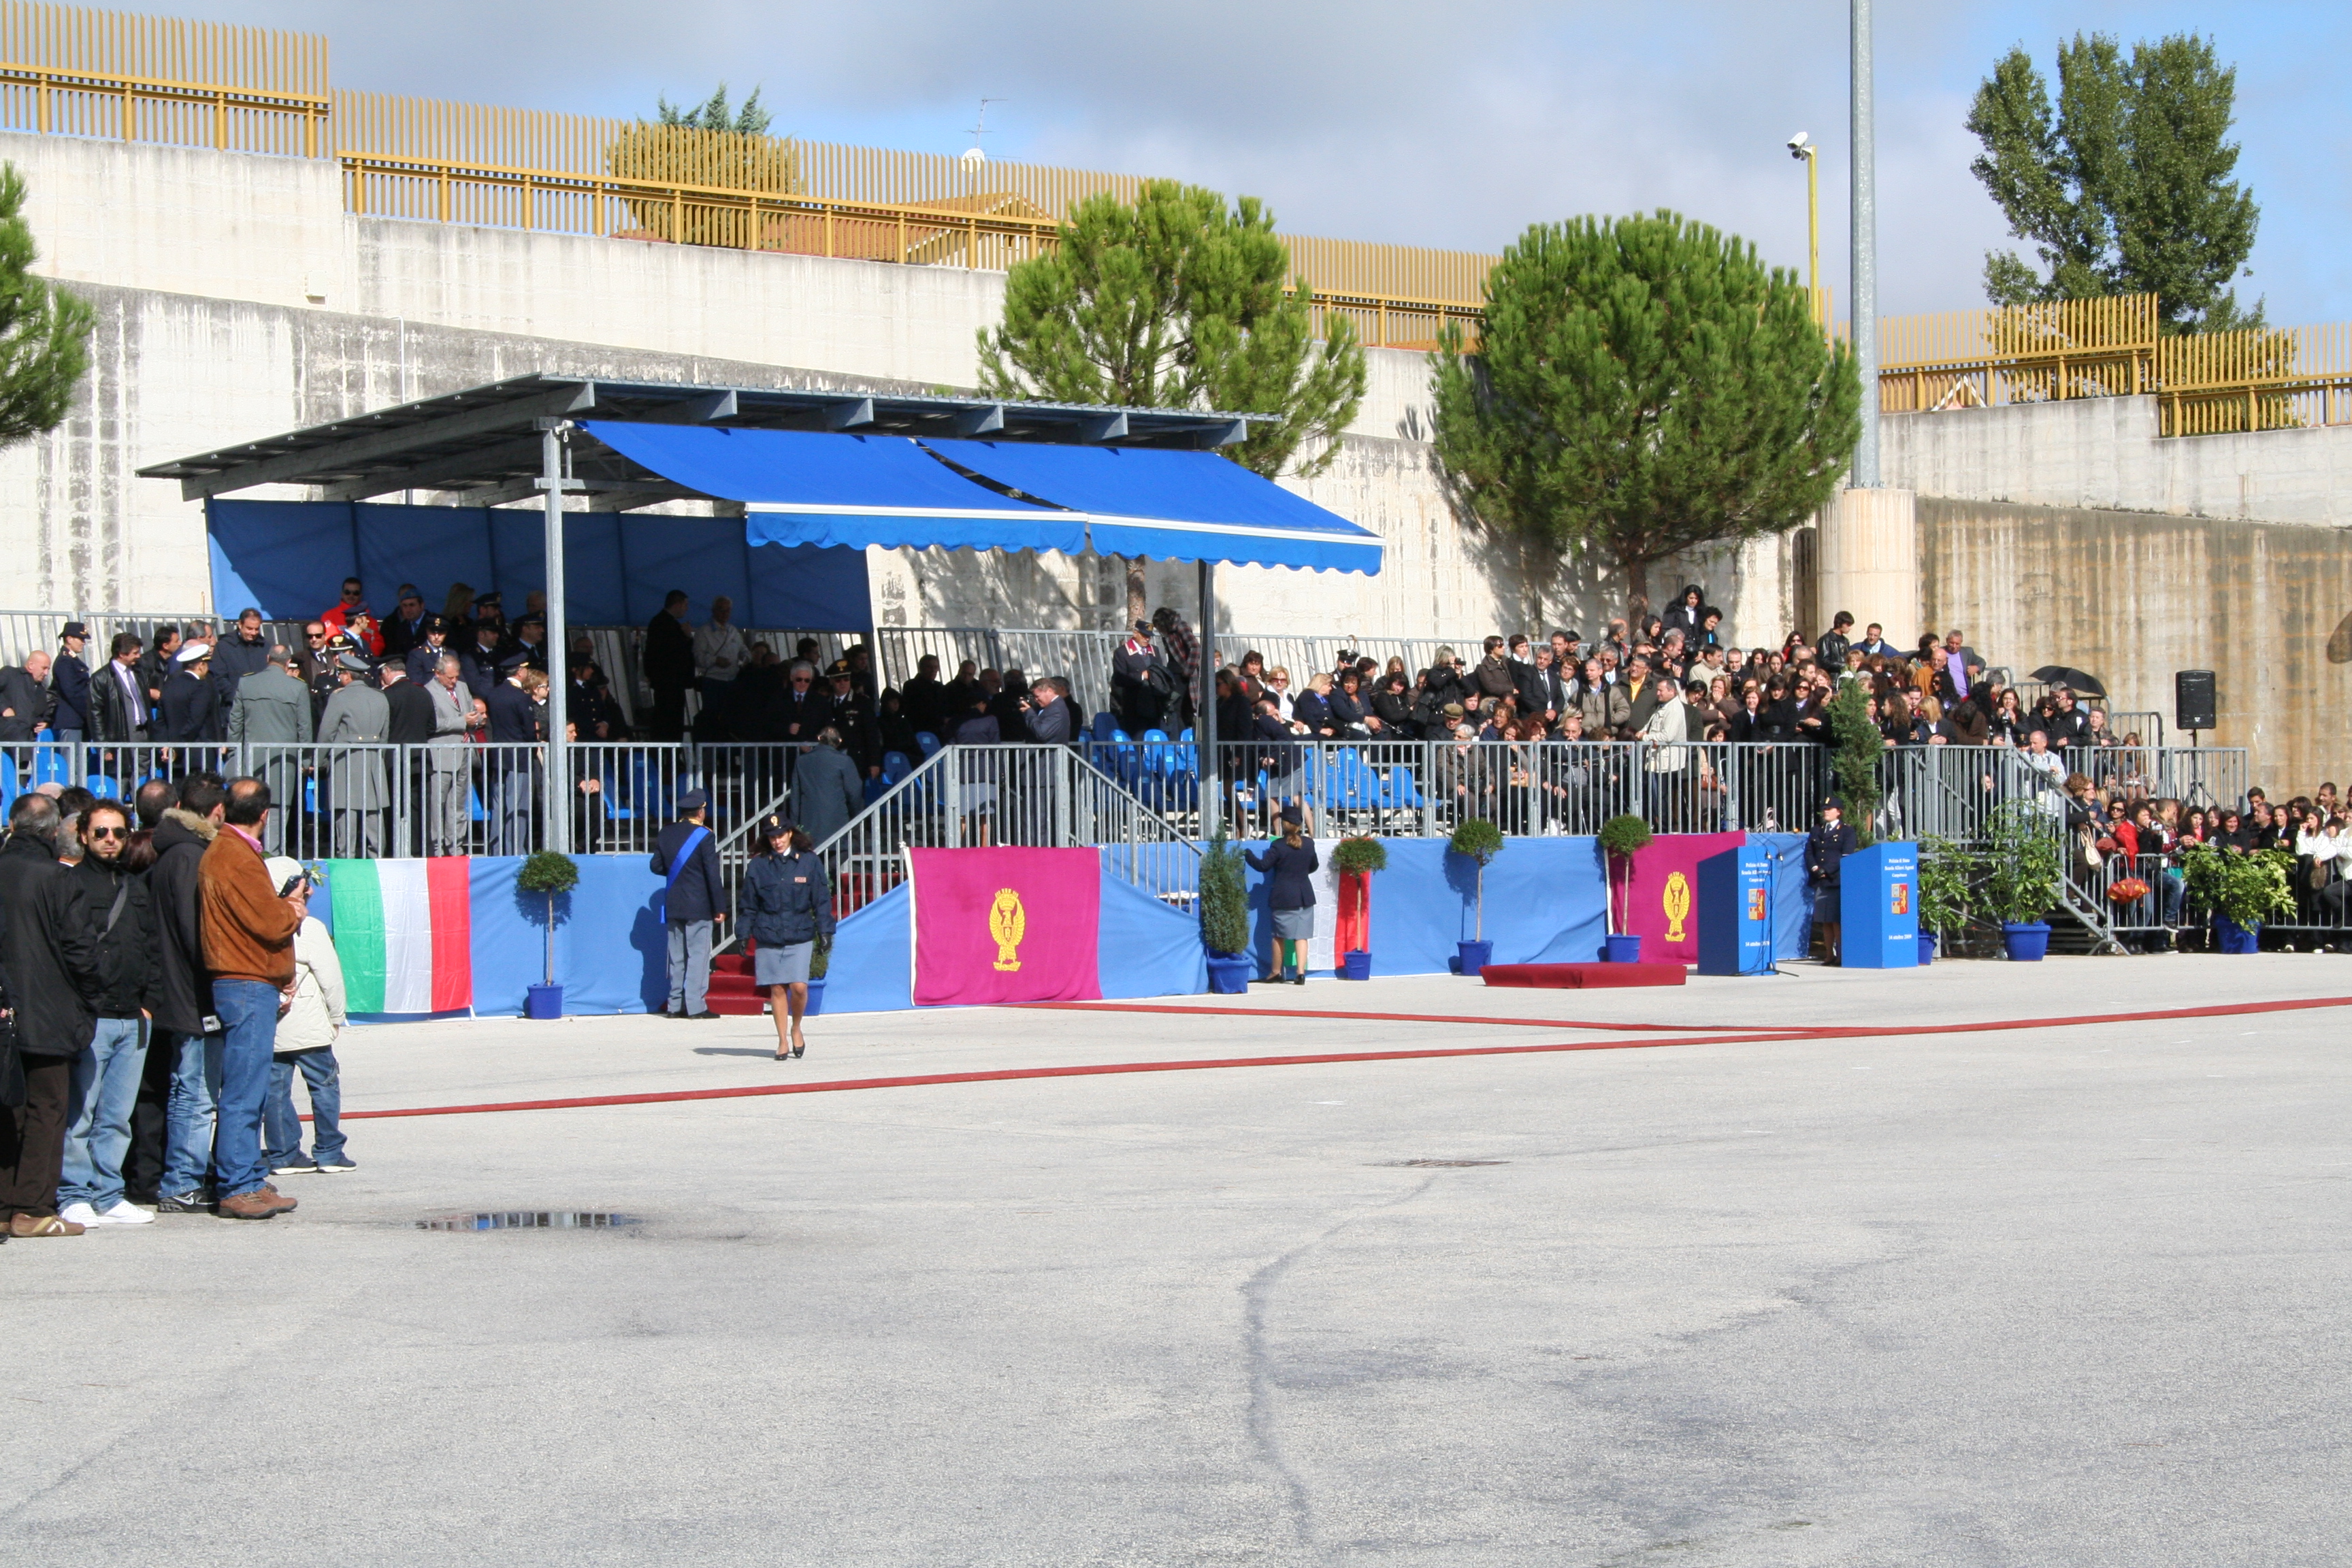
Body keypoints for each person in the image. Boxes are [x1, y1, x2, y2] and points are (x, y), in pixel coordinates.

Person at [199, 777, 303, 1220]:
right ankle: (238, 1183)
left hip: (246, 979)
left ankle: (249, 1177)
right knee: (243, 1088)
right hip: (244, 982)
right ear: (265, 815)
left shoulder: (232, 852)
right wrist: (292, 909)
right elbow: (268, 921)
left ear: (223, 809)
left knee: (251, 1086)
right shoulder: (234, 856)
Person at [53, 800, 157, 1228]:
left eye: (117, 832)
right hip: (91, 1016)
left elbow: (151, 948)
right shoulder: (69, 884)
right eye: (100, 832)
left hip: (133, 1017)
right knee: (80, 1113)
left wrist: (149, 1006)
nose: (110, 839)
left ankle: (108, 1193)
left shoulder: (136, 886)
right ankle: (73, 1194)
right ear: (83, 835)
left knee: (117, 1116)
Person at [0, 795, 88, 1236]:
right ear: (54, 832)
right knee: (46, 1107)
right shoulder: (58, 878)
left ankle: (5, 1205)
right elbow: (81, 952)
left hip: (9, 1007)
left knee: (7, 1107)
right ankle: (32, 1208)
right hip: (47, 1009)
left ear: (14, 827)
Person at [143, 775, 225, 1214]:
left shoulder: (174, 851)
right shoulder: (190, 857)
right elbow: (199, 936)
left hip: (179, 992)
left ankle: (185, 1175)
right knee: (195, 1092)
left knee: (187, 1088)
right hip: (193, 994)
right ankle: (182, 1180)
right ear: (217, 813)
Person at [261, 856, 355, 1177]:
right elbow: (330, 977)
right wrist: (336, 1016)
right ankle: (329, 1151)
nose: (310, 892)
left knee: (275, 1092)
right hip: (311, 1026)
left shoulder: (258, 924)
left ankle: (283, 1154)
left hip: (272, 1027)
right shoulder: (309, 928)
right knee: (324, 1086)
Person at [742, 814, 834, 1061]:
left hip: (800, 930)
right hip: (769, 932)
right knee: (777, 987)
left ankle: (796, 1027)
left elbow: (821, 899)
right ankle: (782, 1039)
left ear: (790, 833)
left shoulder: (808, 862)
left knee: (799, 987)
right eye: (772, 837)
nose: (777, 841)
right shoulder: (758, 865)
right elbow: (749, 904)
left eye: (780, 836)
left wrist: (826, 931)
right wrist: (743, 932)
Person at [227, 645, 312, 853]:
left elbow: (235, 723)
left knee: (247, 809)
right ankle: (272, 857)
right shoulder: (298, 687)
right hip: (285, 760)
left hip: (251, 758)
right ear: (288, 663)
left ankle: (246, 854)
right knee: (278, 810)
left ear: (267, 658)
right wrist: (306, 761)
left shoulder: (246, 683)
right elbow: (305, 728)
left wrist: (234, 754)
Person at [651, 789, 727, 1019]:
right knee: (698, 956)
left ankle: (675, 1005)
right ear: (701, 811)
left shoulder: (666, 832)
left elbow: (655, 866)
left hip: (674, 903)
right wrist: (720, 906)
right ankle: (695, 1006)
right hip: (699, 905)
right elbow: (712, 874)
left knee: (676, 957)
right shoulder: (704, 835)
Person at [317, 650, 391, 857]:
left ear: (347, 675)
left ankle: (346, 856)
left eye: (341, 674)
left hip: (345, 759)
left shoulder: (340, 698)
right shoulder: (380, 697)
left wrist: (319, 760)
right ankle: (377, 855)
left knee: (346, 810)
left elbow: (326, 732)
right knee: (373, 811)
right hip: (374, 758)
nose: (340, 677)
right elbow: (385, 734)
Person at [1245, 805, 1318, 985]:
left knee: (1279, 936)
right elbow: (1314, 866)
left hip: (1284, 896)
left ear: (1284, 825)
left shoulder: (1278, 845)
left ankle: (1276, 972)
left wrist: (1248, 855)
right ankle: (1300, 973)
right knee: (1301, 936)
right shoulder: (1309, 843)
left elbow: (1263, 866)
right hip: (1305, 895)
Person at [426, 654, 483, 856]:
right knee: (438, 804)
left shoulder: (462, 688)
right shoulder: (428, 691)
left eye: (456, 676)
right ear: (438, 673)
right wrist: (461, 721)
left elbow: (472, 713)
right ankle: (436, 847)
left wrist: (475, 720)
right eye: (450, 678)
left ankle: (456, 846)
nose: (454, 681)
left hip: (465, 751)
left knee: (458, 803)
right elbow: (433, 724)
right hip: (442, 753)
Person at [790, 726, 865, 849]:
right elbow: (855, 792)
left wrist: (794, 825)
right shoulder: (844, 761)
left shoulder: (802, 761)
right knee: (839, 854)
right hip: (837, 821)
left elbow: (795, 795)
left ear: (819, 738)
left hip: (808, 821)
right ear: (839, 741)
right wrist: (856, 814)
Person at [1806, 794, 1858, 965]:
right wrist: (1815, 868)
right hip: (1821, 880)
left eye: (1829, 809)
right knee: (1825, 920)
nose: (1825, 812)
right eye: (1824, 809)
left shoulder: (1847, 831)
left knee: (1836, 920)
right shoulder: (1817, 830)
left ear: (1839, 812)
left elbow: (1845, 856)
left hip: (1836, 880)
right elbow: (1810, 852)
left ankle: (1842, 955)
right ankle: (1829, 955)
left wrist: (1826, 870)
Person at [642, 589, 695, 741]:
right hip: (670, 683)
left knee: (668, 722)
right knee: (670, 723)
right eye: (685, 605)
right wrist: (687, 637)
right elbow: (675, 654)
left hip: (666, 683)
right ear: (677, 604)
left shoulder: (660, 623)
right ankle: (671, 756)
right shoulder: (666, 624)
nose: (687, 608)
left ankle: (668, 756)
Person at [88, 630, 151, 743]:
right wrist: (104, 747)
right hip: (121, 736)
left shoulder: (140, 672)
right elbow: (95, 714)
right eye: (135, 653)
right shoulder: (101, 678)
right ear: (122, 654)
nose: (139, 656)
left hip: (144, 733)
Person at [159, 642, 220, 742]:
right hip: (197, 746)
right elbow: (196, 721)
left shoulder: (169, 685)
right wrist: (180, 744)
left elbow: (161, 720)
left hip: (171, 746)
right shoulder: (201, 687)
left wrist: (167, 745)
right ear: (201, 666)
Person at [319, 576, 384, 656]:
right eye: (347, 592)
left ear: (360, 595)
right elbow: (330, 641)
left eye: (355, 593)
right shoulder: (329, 617)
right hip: (341, 660)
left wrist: (368, 656)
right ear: (342, 594)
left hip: (366, 661)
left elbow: (378, 643)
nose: (351, 596)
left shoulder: (371, 620)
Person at [49, 621, 91, 744]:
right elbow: (72, 692)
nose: (83, 643)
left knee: (81, 759)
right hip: (71, 720)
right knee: (73, 759)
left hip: (78, 720)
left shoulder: (72, 660)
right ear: (70, 639)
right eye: (81, 639)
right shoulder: (65, 662)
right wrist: (88, 712)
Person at [0, 647, 50, 741]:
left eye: (48, 669)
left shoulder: (41, 689)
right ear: (31, 665)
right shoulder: (11, 674)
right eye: (44, 668)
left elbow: (41, 713)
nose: (46, 673)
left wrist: (44, 723)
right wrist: (4, 708)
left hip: (29, 737)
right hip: (10, 732)